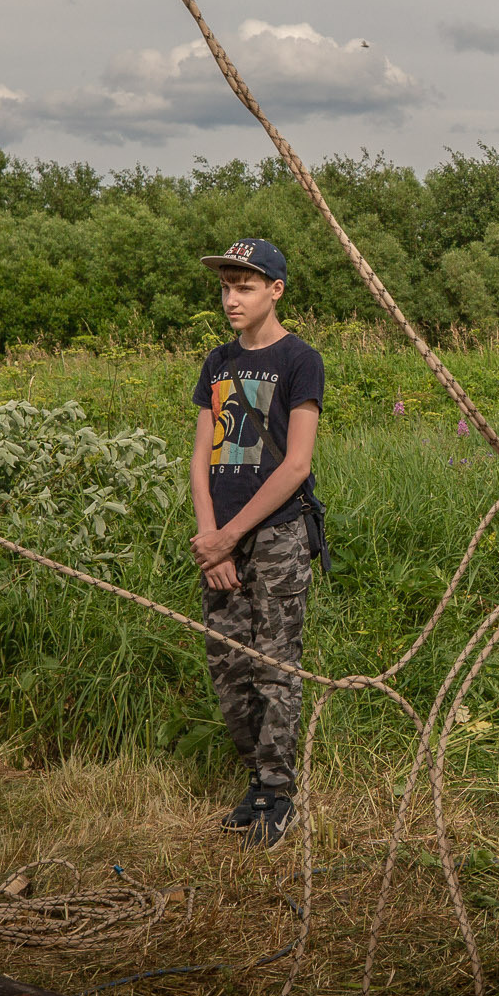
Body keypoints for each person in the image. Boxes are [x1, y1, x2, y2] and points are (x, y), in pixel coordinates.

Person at [189, 238, 326, 847]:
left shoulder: (300, 360)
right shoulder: (217, 363)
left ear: (275, 290)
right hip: (219, 536)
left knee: (274, 665)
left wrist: (233, 536)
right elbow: (200, 456)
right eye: (225, 287)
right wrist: (208, 538)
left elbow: (296, 465)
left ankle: (278, 792)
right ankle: (254, 781)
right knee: (229, 668)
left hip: (275, 535)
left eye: (244, 286)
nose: (231, 298)